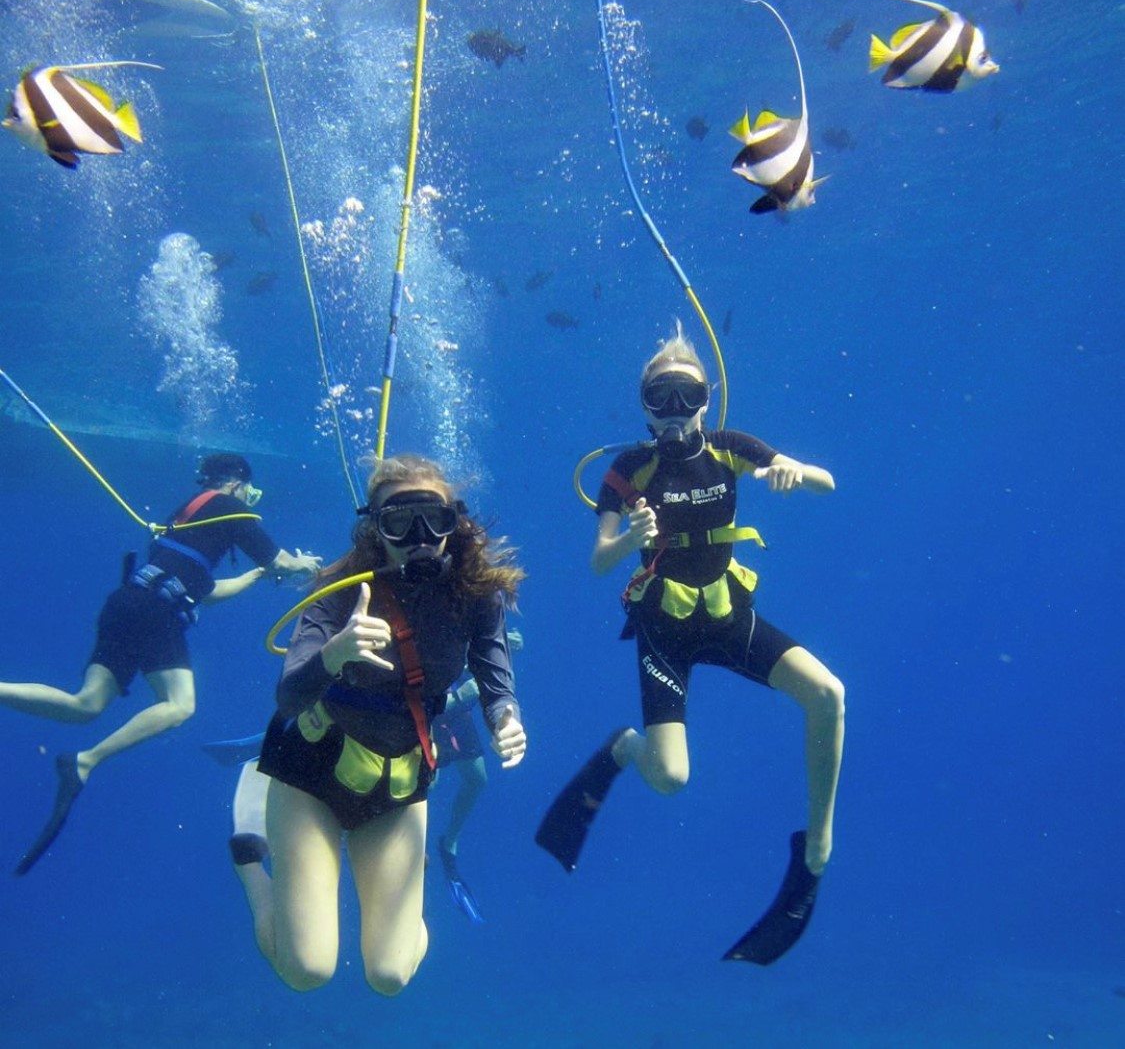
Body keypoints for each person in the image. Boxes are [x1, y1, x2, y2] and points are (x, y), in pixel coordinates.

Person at [535, 324, 845, 965]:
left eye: (687, 395)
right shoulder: (628, 468)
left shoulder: (733, 448)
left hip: (730, 617)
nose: (674, 411)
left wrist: (793, 468)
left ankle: (817, 846)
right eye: (660, 397)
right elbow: (599, 562)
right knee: (671, 778)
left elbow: (827, 483)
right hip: (664, 629)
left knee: (828, 695)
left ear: (707, 398)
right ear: (644, 404)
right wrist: (629, 540)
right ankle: (625, 749)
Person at [231, 453, 527, 995]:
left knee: (390, 976)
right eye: (399, 522)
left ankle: (393, 908)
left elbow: (493, 672)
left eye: (433, 520)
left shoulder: (476, 593)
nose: (420, 537)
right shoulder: (343, 587)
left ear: (454, 523)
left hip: (399, 781)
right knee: (307, 971)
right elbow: (290, 695)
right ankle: (250, 858)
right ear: (375, 529)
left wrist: (505, 716)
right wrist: (335, 652)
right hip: (309, 774)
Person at [1, 452, 322, 874]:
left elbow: (204, 590)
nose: (251, 499)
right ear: (238, 484)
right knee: (180, 705)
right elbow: (279, 559)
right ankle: (84, 762)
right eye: (252, 492)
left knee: (86, 705)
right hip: (156, 611)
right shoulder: (232, 507)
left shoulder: (186, 517)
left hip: (128, 602)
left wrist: (255, 578)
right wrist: (305, 565)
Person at [431, 626, 524, 922]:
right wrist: (460, 697)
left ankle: (449, 842)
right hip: (430, 711)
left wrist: (499, 645)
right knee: (424, 783)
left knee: (476, 777)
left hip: (456, 709)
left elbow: (468, 645)